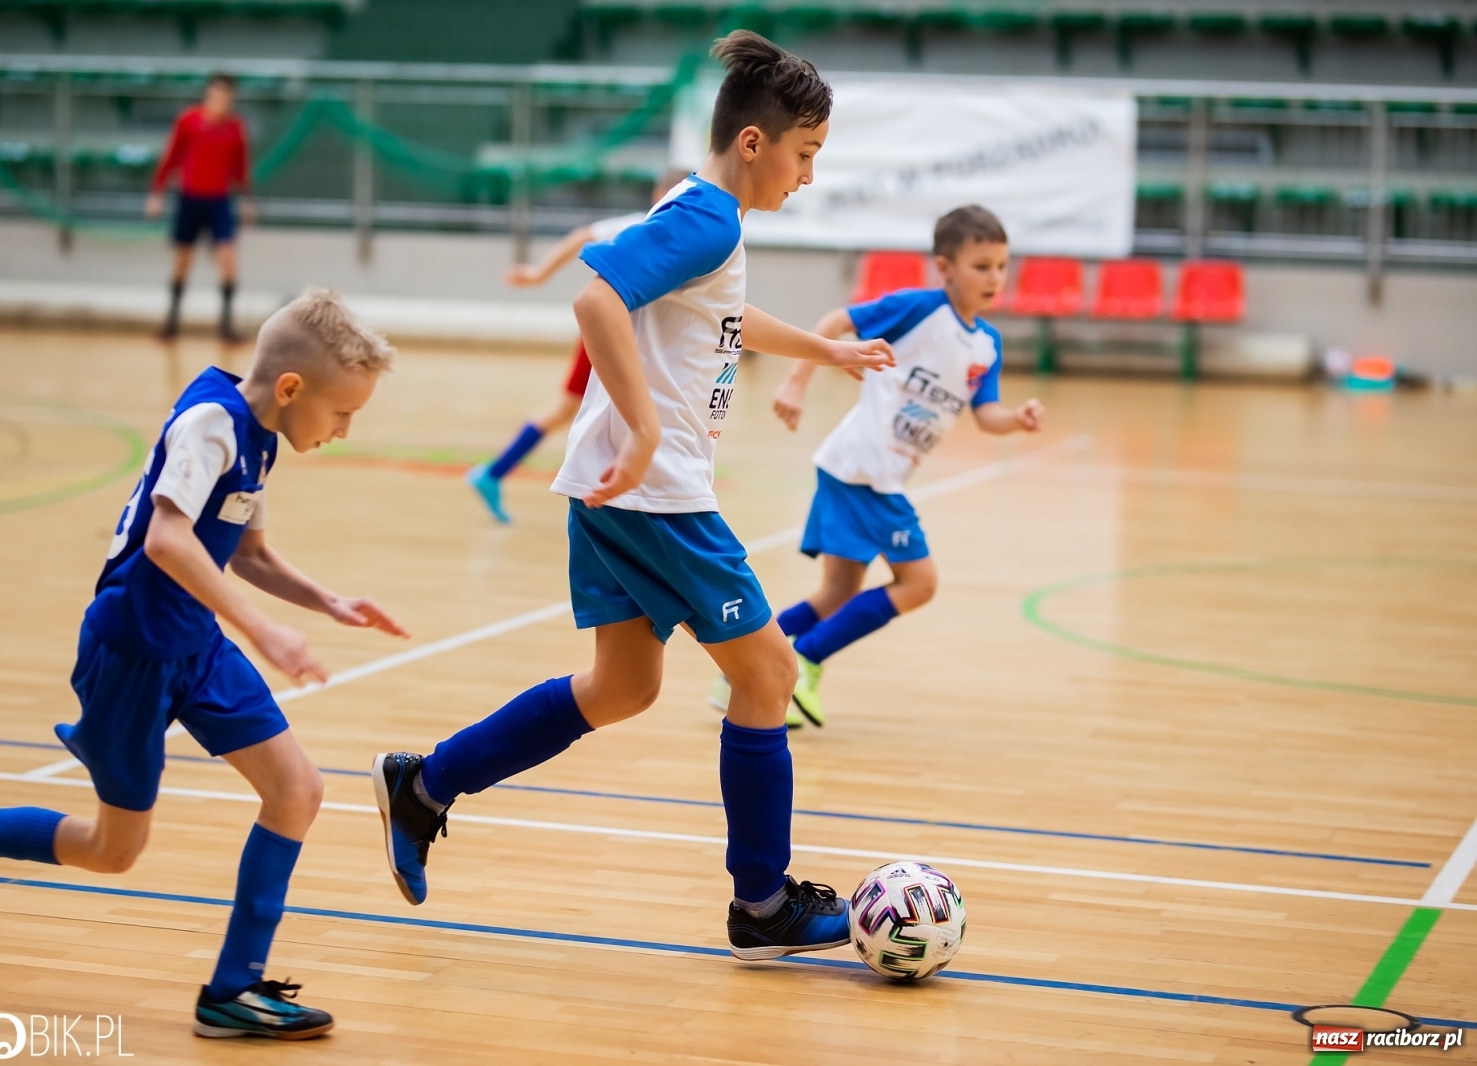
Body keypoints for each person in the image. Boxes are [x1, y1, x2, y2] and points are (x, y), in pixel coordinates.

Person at [369, 30, 895, 963]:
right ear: (753, 144)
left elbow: (722, 318)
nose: (806, 177)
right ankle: (763, 904)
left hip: (619, 492)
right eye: (804, 155)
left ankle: (425, 787)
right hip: (657, 494)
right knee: (767, 675)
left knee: (622, 688)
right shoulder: (713, 217)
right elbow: (594, 301)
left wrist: (829, 351)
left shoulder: (697, 212)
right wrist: (647, 426)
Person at [0, 289, 406, 1039]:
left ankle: (234, 989)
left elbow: (246, 551)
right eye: (343, 412)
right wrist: (264, 631)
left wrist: (326, 601)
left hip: (195, 647)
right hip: (132, 653)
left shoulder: (260, 434)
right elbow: (166, 540)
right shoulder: (211, 423)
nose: (346, 429)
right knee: (112, 848)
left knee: (297, 789)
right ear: (291, 388)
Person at [712, 205, 1044, 728]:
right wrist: (796, 382)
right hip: (868, 469)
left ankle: (740, 669)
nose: (994, 277)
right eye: (981, 266)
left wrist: (1017, 421)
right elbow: (835, 322)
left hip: (850, 467)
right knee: (920, 583)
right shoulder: (920, 309)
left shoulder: (987, 345)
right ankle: (805, 659)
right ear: (946, 267)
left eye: (1002, 266)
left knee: (839, 590)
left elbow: (986, 415)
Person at [467, 169, 688, 524]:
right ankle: (495, 473)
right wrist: (540, 273)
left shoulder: (682, 234)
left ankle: (497, 473)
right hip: (611, 332)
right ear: (659, 195)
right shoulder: (644, 225)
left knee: (595, 409)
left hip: (634, 336)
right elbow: (581, 237)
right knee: (573, 407)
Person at [146, 73, 253, 342]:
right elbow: (171, 156)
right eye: (216, 94)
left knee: (228, 259)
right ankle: (172, 321)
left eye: (226, 96)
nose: (220, 100)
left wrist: (247, 199)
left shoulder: (235, 128)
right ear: (208, 95)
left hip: (219, 200)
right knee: (183, 260)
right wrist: (156, 193)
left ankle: (226, 324)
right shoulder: (188, 121)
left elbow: (240, 167)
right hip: (190, 197)